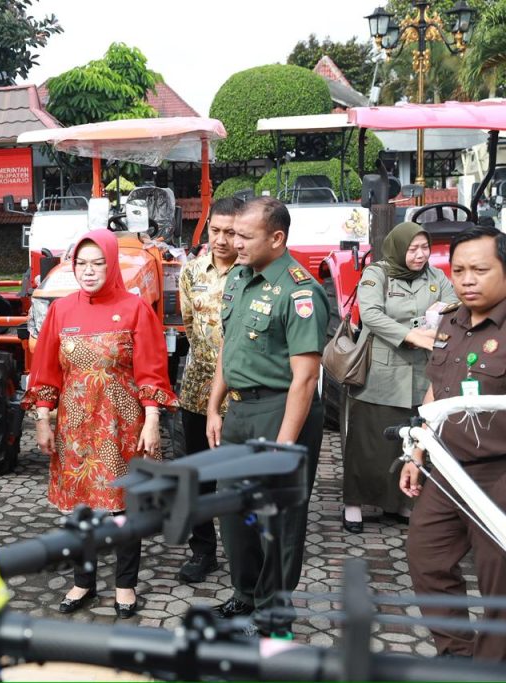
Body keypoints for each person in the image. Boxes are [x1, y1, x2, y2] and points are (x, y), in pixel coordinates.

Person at [23, 229, 177, 619]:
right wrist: (43, 418)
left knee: (125, 506)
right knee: (82, 508)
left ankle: (125, 585)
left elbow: (152, 371)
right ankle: (83, 581)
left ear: (111, 265)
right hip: (75, 426)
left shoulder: (134, 308)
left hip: (123, 425)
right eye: (81, 263)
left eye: (98, 263)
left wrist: (152, 419)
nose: (88, 271)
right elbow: (46, 371)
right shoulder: (62, 310)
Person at [205, 197, 327, 628]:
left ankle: (274, 609)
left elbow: (305, 379)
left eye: (244, 235)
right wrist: (214, 405)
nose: (233, 243)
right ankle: (245, 593)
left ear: (276, 239)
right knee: (234, 512)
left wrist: (285, 445)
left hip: (280, 412)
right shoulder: (240, 278)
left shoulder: (300, 291)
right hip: (239, 410)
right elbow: (229, 345)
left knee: (277, 518)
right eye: (232, 233)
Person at [400, 225, 506, 662]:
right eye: (459, 269)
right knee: (427, 560)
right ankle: (456, 656)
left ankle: (490, 667)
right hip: (446, 468)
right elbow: (436, 392)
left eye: (480, 269)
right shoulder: (449, 320)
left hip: (498, 472)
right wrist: (416, 452)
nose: (467, 279)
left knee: (497, 579)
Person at [342, 222, 457, 533]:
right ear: (397, 248)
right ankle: (354, 502)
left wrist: (438, 324)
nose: (420, 255)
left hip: (420, 372)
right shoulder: (377, 273)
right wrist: (411, 335)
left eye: (424, 248)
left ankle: (400, 503)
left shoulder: (436, 277)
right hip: (381, 369)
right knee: (368, 440)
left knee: (410, 438)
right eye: (412, 248)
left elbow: (452, 308)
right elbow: (371, 315)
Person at [175, 197, 240, 584]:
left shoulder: (252, 273)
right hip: (198, 389)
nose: (221, 239)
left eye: (230, 232)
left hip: (243, 396)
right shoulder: (192, 272)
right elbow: (188, 324)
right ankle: (203, 551)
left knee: (237, 477)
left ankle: (243, 551)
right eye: (215, 230)